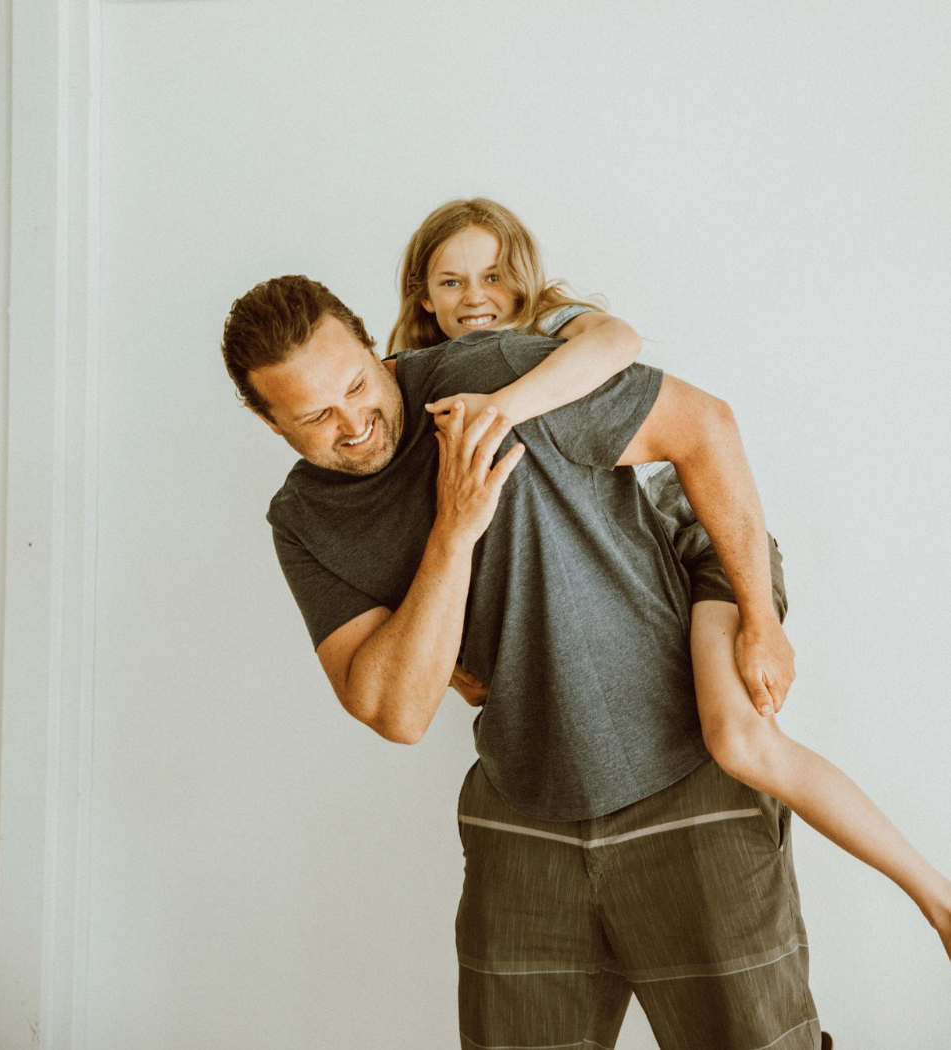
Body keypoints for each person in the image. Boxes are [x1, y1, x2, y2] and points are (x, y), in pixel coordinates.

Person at [221, 273, 824, 1049]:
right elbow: (396, 710)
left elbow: (703, 425)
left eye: (357, 385)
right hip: (522, 817)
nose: (353, 422)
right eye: (314, 416)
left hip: (686, 785)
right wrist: (453, 531)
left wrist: (759, 620)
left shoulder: (494, 375)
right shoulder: (304, 519)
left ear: (374, 346)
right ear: (266, 420)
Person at [386, 197, 951, 966]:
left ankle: (936, 898)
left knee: (741, 743)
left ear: (524, 275)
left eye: (493, 275)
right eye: (450, 282)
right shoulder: (414, 392)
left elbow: (619, 340)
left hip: (695, 542)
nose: (474, 297)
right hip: (624, 589)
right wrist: (451, 661)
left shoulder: (549, 331)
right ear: (423, 295)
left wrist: (761, 623)